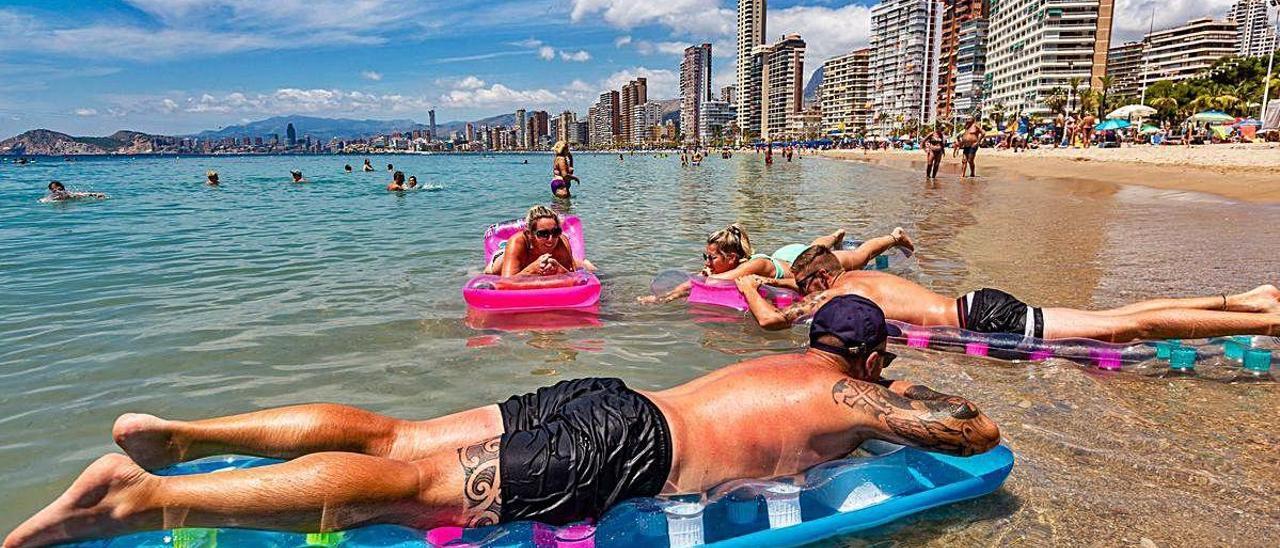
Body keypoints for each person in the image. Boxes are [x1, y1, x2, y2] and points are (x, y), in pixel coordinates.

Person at [4, 296, 1001, 548]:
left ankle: (180, 430)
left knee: (394, 434)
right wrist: (899, 402)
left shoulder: (775, 355)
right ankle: (144, 495)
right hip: (630, 448)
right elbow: (968, 431)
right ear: (866, 356)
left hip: (607, 398)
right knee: (415, 490)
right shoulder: (848, 389)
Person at [737, 245, 1280, 343]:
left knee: (1122, 330)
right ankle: (1250, 298)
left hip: (985, 323)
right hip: (978, 302)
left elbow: (771, 323)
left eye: (801, 288)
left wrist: (747, 286)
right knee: (1115, 315)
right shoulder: (860, 279)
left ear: (814, 284)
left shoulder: (836, 295)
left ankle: (1266, 324)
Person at [639, 224, 914, 304]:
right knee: (815, 245)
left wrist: (666, 297)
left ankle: (894, 237)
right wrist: (669, 295)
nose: (707, 262)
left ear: (732, 258)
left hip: (801, 263)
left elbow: (711, 282)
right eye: (705, 257)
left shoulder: (753, 265)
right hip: (792, 257)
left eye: (711, 257)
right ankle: (836, 235)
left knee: (858, 258)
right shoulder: (735, 265)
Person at [483, 205, 594, 278]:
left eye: (556, 232)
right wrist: (532, 269)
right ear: (529, 234)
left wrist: (558, 268)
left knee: (585, 267)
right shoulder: (517, 242)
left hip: (547, 256)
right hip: (509, 257)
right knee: (493, 272)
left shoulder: (560, 241)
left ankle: (584, 262)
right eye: (543, 234)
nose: (551, 239)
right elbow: (506, 283)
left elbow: (573, 277)